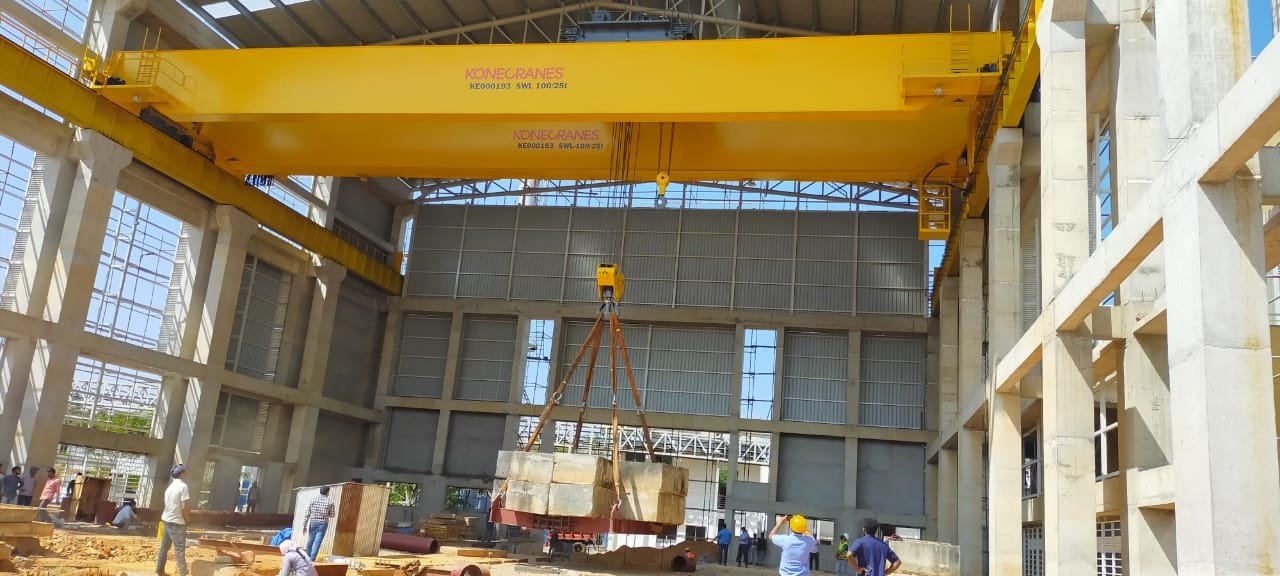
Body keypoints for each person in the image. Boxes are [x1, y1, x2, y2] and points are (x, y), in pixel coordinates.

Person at [156, 464, 192, 576]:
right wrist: (187, 519)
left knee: (164, 547)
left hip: (166, 520)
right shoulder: (183, 487)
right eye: (184, 472)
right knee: (180, 549)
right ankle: (183, 573)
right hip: (177, 522)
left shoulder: (169, 488)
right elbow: (184, 507)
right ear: (181, 474)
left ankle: (159, 571)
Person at [302, 486, 335, 560]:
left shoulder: (313, 500)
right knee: (318, 541)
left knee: (310, 540)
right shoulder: (330, 501)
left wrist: (304, 525)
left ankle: (306, 557)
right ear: (327, 492)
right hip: (323, 523)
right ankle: (312, 558)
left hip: (313, 522)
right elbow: (332, 515)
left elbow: (307, 513)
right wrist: (326, 513)